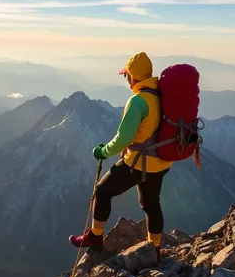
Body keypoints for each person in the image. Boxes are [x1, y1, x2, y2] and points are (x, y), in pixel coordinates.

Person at [69, 52, 171, 257]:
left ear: (132, 77)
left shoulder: (138, 101)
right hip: (162, 161)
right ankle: (155, 247)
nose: (126, 80)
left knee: (103, 191)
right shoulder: (161, 95)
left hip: (139, 163)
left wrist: (103, 152)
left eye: (126, 76)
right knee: (151, 203)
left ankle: (95, 236)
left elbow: (123, 138)